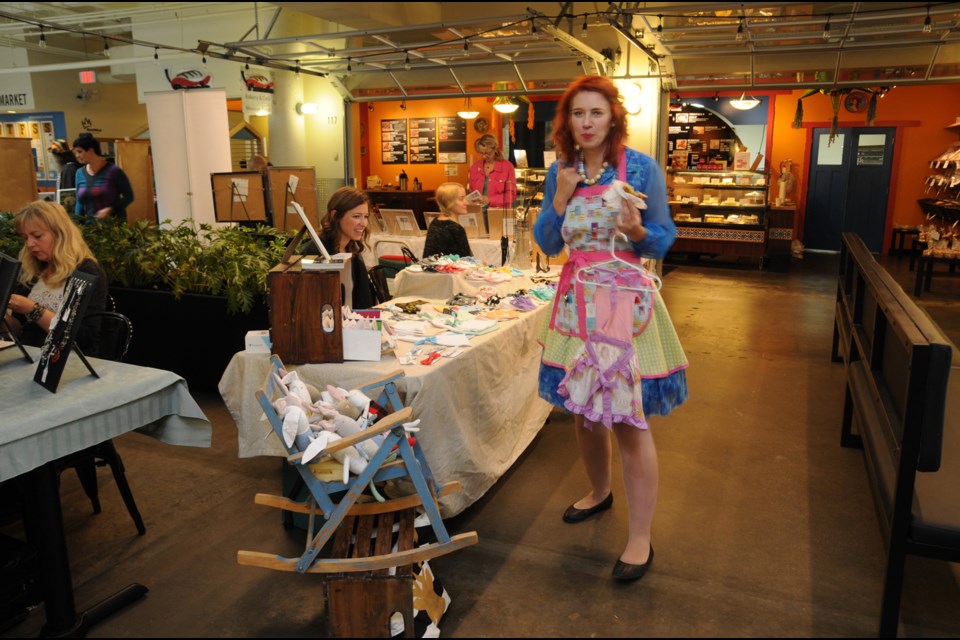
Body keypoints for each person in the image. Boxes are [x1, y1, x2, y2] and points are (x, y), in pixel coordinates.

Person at [533, 75, 689, 582]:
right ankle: (599, 492)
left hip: (624, 303)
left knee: (625, 419)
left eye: (596, 113)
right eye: (578, 113)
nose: (586, 122)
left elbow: (662, 240)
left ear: (613, 117)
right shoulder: (562, 170)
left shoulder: (641, 168)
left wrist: (636, 230)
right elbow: (549, 243)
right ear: (567, 121)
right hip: (577, 302)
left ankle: (640, 537)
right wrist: (558, 199)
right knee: (582, 414)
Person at [4, 200, 108, 357]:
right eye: (25, 238)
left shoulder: (86, 271)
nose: (30, 244)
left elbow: (85, 338)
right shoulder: (33, 269)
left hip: (66, 360)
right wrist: (4, 317)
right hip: (30, 355)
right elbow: (19, 330)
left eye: (37, 236)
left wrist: (34, 310)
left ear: (60, 233)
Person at [312, 186, 380, 309]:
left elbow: (363, 301)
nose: (363, 223)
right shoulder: (314, 252)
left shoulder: (353, 250)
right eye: (356, 216)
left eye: (365, 216)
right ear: (335, 215)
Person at [72, 132, 135, 223]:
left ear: (91, 150)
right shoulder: (79, 173)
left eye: (79, 152)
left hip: (114, 228)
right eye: (76, 153)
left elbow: (129, 197)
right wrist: (76, 224)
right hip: (90, 229)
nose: (77, 156)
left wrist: (110, 209)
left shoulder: (114, 171)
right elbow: (79, 202)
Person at [468, 133, 515, 232]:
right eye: (481, 153)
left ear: (495, 150)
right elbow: (471, 192)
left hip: (498, 216)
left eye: (488, 153)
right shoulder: (474, 167)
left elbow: (511, 196)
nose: (484, 156)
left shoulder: (507, 167)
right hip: (478, 216)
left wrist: (490, 199)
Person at [422, 182, 473, 259]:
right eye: (461, 199)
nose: (466, 202)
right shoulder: (455, 228)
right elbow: (467, 261)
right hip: (449, 270)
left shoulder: (435, 222)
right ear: (449, 202)